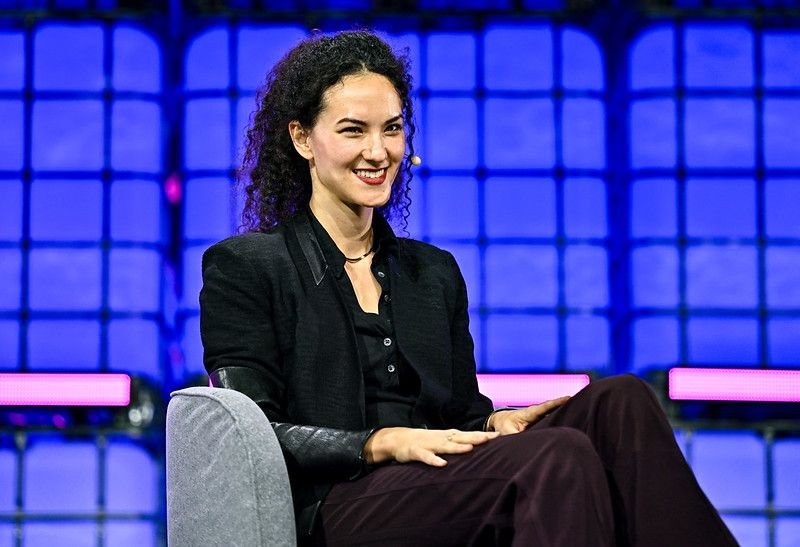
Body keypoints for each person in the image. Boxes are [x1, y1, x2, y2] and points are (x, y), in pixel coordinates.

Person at [199, 30, 738, 546]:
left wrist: (492, 422)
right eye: (352, 130)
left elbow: (458, 416)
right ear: (302, 139)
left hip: (437, 479)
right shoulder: (246, 266)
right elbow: (250, 433)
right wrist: (377, 443)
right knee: (557, 455)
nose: (378, 150)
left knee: (624, 401)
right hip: (340, 503)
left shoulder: (432, 272)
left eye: (391, 128)